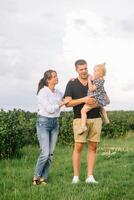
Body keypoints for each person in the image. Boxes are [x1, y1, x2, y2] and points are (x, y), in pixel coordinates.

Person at [64, 59, 102, 184]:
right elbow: (68, 103)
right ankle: (76, 177)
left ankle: (90, 177)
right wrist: (84, 99)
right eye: (81, 69)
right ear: (76, 70)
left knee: (93, 147)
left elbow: (103, 95)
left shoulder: (95, 80)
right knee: (78, 146)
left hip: (96, 118)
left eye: (86, 68)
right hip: (80, 119)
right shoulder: (71, 84)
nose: (84, 71)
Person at [33, 69, 70, 185]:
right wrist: (61, 103)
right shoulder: (42, 92)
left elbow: (67, 100)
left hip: (55, 123)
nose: (57, 77)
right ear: (48, 80)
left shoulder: (58, 92)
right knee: (45, 153)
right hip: (43, 123)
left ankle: (44, 178)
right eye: (54, 76)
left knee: (51, 153)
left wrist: (71, 82)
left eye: (56, 75)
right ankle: (36, 177)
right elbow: (49, 109)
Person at [79, 62, 110, 134]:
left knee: (83, 111)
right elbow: (88, 76)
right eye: (94, 71)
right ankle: (106, 119)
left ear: (101, 73)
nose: (94, 72)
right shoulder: (98, 79)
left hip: (94, 99)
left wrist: (89, 80)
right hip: (99, 100)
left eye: (95, 71)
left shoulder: (99, 81)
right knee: (101, 108)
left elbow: (91, 89)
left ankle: (83, 126)